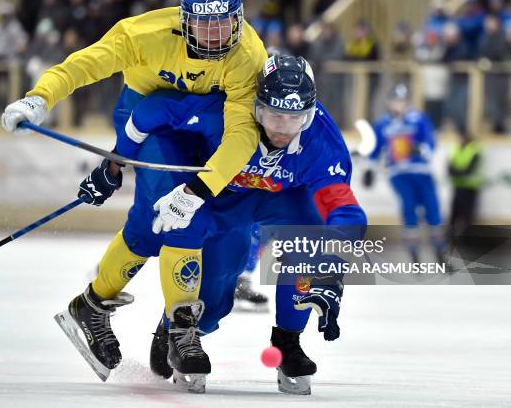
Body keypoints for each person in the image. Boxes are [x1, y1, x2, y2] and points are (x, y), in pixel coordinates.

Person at [1, 0, 268, 391]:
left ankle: (92, 304)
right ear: (183, 21)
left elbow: (241, 135)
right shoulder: (142, 34)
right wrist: (39, 97)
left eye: (224, 25)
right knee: (180, 218)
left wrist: (201, 187)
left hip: (204, 126)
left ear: (238, 18)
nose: (216, 38)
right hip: (149, 122)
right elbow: (84, 64)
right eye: (204, 25)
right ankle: (182, 330)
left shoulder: (248, 55)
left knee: (156, 221)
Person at [105, 54, 366, 394]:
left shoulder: (323, 143)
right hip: (222, 197)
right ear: (255, 106)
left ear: (311, 115)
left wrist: (330, 266)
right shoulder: (225, 109)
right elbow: (152, 110)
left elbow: (346, 211)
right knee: (213, 296)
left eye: (295, 119)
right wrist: (116, 159)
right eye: (273, 115)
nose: (282, 129)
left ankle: (288, 341)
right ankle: (179, 327)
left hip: (282, 201)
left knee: (312, 236)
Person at [363, 84, 445, 263]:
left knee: (433, 208)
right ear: (389, 102)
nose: (399, 105)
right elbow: (375, 148)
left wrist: (422, 149)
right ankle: (413, 252)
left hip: (421, 171)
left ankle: (440, 251)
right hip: (398, 172)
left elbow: (430, 140)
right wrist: (370, 168)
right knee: (409, 207)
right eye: (396, 101)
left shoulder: (419, 119)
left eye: (403, 101)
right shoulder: (383, 123)